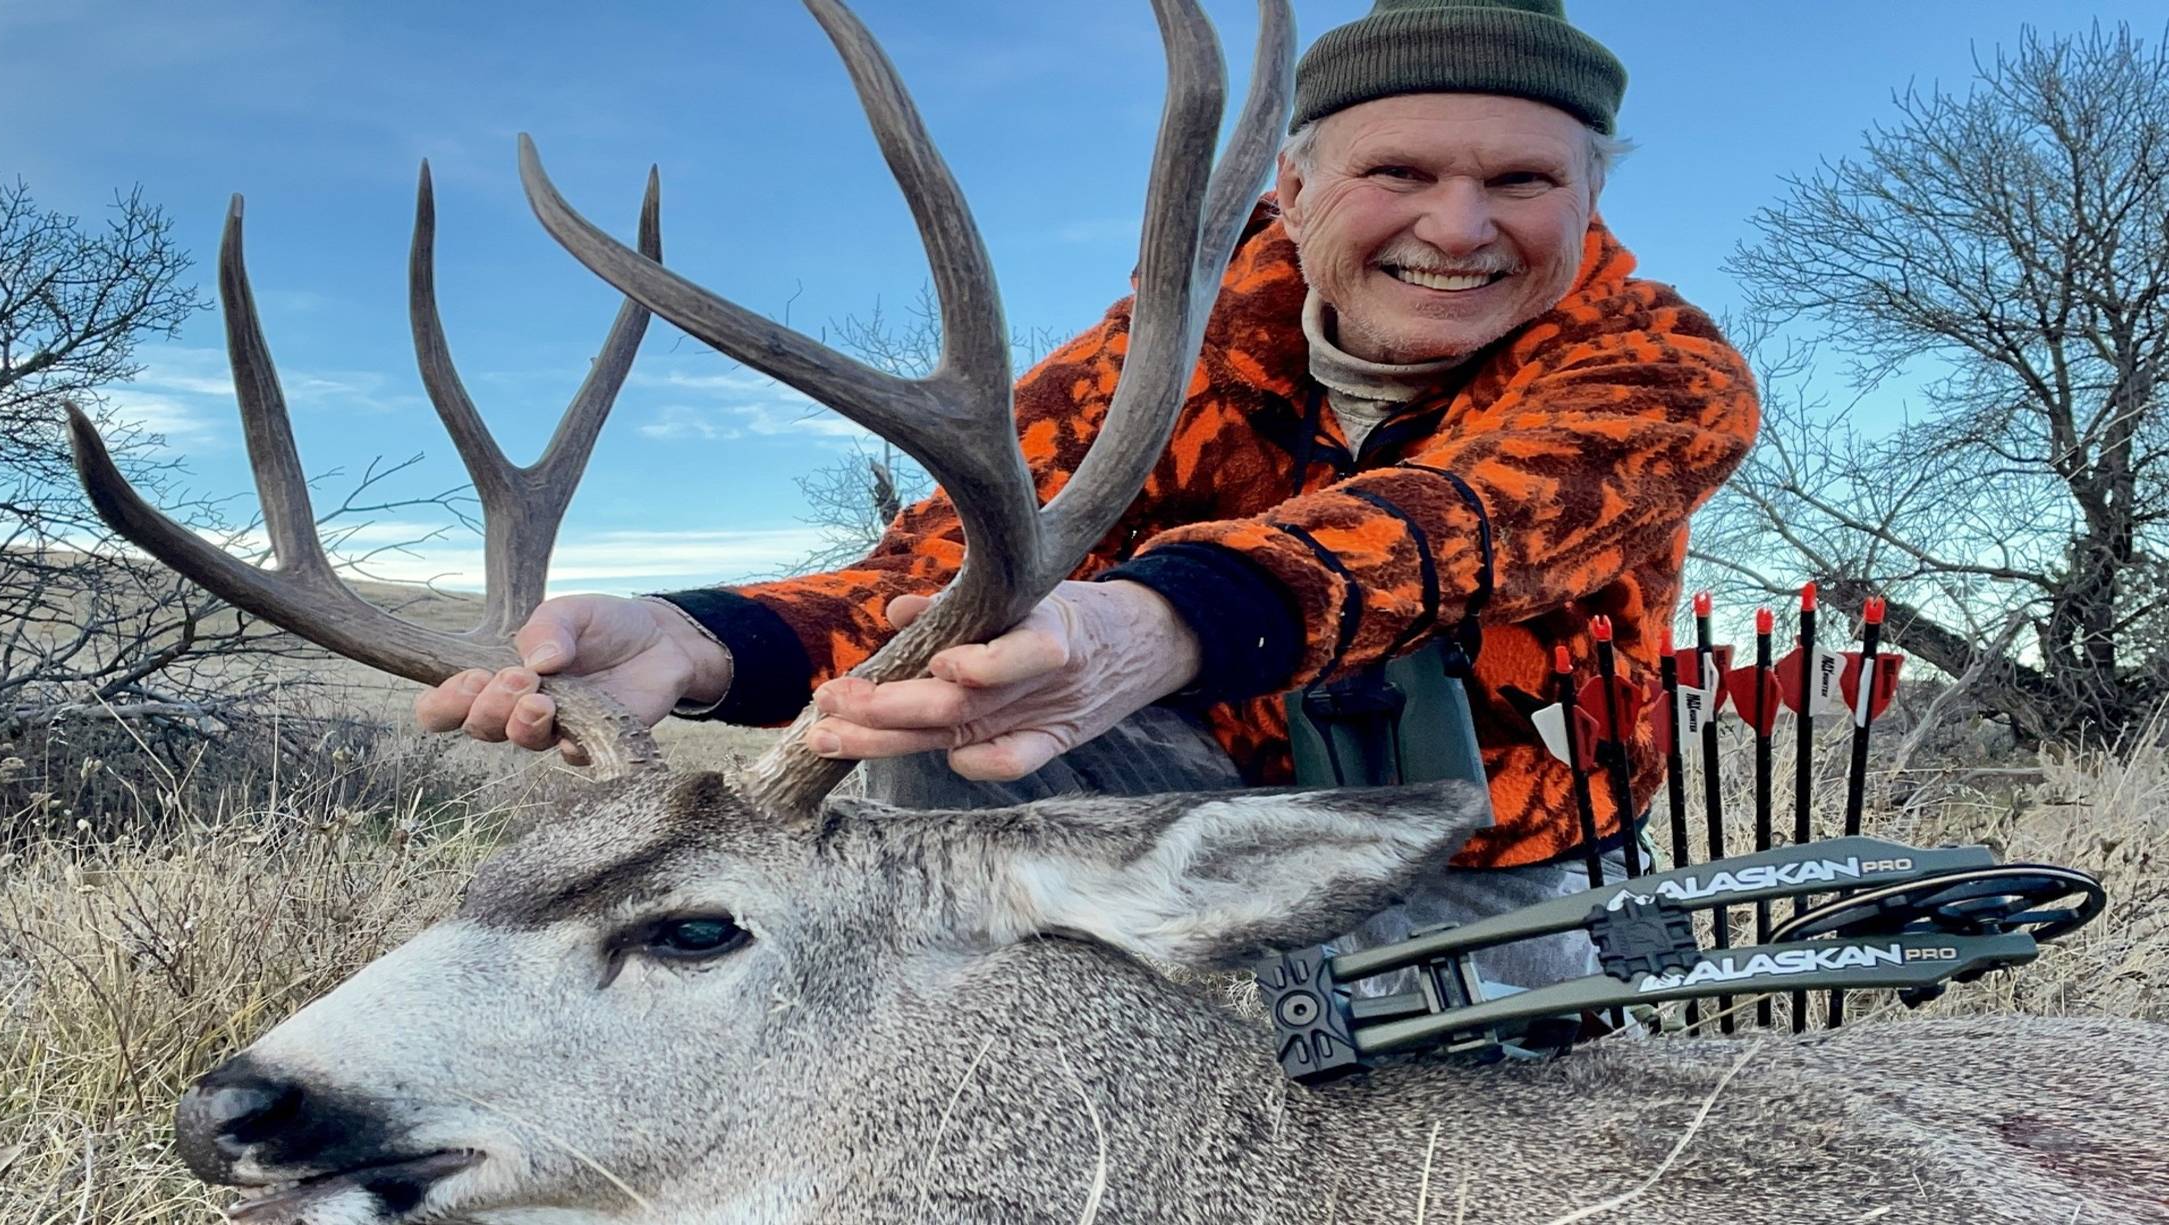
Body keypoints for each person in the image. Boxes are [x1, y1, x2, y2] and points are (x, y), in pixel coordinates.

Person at [414, 0, 1759, 991]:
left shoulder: (1656, 370)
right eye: (1398, 173)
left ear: (1588, 195)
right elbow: (942, 568)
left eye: (1519, 181)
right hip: (1179, 829)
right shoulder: (1169, 347)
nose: (1457, 228)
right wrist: (709, 641)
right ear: (1290, 190)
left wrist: (1156, 623)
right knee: (941, 701)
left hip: (1482, 869)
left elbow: (1452, 524)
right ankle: (1011, 1049)